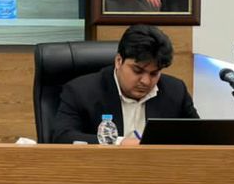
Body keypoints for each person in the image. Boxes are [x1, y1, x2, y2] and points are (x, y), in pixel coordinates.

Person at [52, 24, 198, 145]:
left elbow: (200, 137)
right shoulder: (81, 91)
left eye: (154, 73)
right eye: (137, 71)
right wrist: (119, 142)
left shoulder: (175, 91)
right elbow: (63, 137)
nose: (146, 81)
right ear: (118, 61)